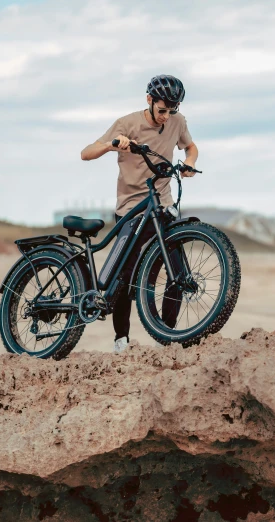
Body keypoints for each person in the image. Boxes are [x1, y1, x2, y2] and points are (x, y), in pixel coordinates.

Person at [80, 74, 199, 353]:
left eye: (173, 110)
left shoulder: (177, 122)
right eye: (162, 110)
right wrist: (113, 144)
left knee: (177, 274)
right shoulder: (127, 123)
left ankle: (167, 335)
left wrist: (189, 163)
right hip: (131, 208)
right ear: (149, 100)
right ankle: (121, 339)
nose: (166, 117)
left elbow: (190, 147)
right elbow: (86, 153)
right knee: (125, 276)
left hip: (163, 205)